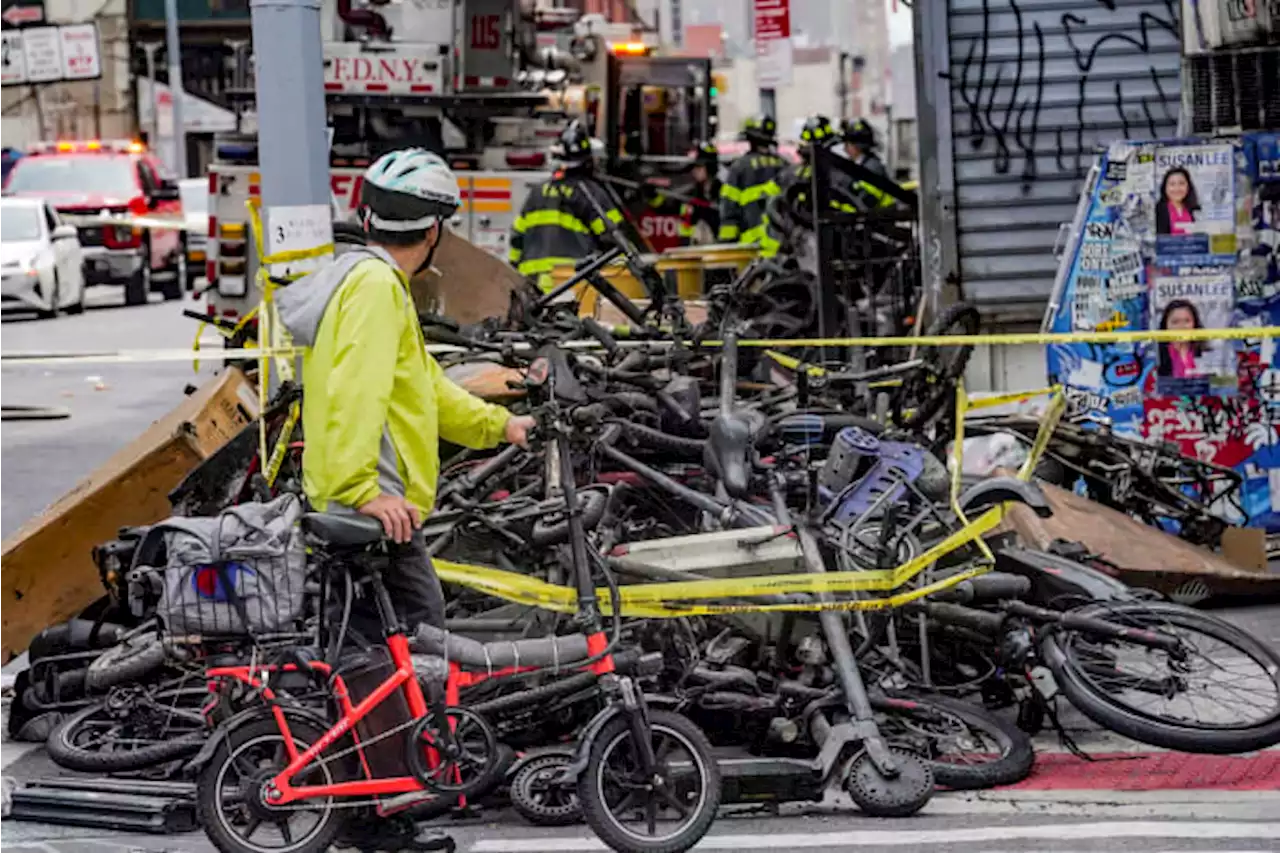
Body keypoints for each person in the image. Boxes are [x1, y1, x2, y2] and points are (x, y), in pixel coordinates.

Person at [277, 148, 536, 637]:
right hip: (375, 512)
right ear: (434, 230)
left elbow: (425, 388)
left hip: (367, 505)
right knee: (418, 642)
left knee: (369, 650)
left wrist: (501, 425)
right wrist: (363, 491)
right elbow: (357, 392)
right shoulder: (376, 288)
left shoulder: (367, 280)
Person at [508, 120, 623, 291]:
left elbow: (517, 239)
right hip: (571, 283)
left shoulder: (537, 192)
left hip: (532, 284)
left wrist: (513, 271)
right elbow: (613, 239)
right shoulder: (591, 193)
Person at [762, 115, 855, 258]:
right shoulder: (838, 174)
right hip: (825, 249)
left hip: (790, 247)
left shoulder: (789, 173)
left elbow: (769, 203)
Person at [718, 115, 787, 249]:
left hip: (751, 245)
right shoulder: (785, 166)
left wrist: (726, 242)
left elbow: (729, 208)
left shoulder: (740, 167)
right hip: (781, 243)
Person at [841, 118, 896, 209]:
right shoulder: (859, 165)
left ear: (857, 146)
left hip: (880, 218)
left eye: (848, 144)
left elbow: (867, 201)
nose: (845, 149)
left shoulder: (872, 168)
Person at [677, 141, 722, 245]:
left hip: (719, 249)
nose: (694, 171)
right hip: (694, 250)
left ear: (710, 168)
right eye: (694, 167)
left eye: (699, 167)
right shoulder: (690, 195)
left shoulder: (724, 193)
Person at [1156, 298, 1206, 378]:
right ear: (1166, 325)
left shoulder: (1205, 351)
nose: (1182, 327)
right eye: (1175, 322)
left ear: (1195, 324)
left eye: (1187, 321)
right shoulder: (1156, 354)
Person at [1157, 167, 1200, 236]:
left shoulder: (1195, 209)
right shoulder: (1158, 210)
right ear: (1165, 188)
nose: (1177, 188)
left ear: (1188, 186)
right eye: (1172, 184)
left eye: (1181, 183)